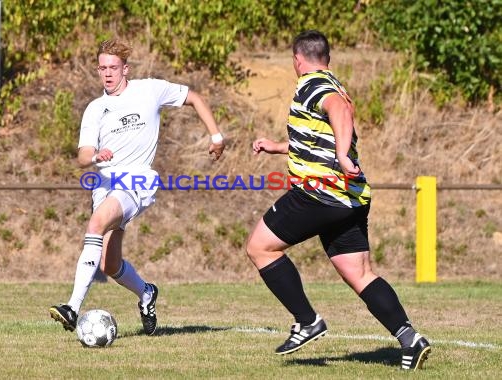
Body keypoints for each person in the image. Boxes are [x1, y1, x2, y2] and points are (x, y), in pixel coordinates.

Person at [246, 30, 430, 370]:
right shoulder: (333, 80)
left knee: (260, 247)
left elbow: (338, 110)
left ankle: (307, 321)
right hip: (350, 197)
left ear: (297, 60)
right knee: (358, 272)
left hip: (319, 192)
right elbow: (322, 134)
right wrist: (277, 146)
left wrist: (343, 156)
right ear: (326, 57)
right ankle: (410, 339)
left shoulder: (312, 83)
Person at [50, 38, 226, 335]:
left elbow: (194, 97)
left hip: (138, 180)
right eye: (102, 68)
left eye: (113, 67)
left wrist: (216, 137)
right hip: (105, 184)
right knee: (109, 263)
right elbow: (82, 157)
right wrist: (94, 156)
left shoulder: (150, 90)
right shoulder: (95, 108)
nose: (108, 73)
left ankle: (72, 307)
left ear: (125, 69)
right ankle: (146, 293)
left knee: (96, 222)